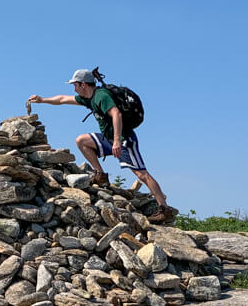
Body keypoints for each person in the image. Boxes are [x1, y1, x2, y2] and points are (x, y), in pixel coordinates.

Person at [28, 69, 176, 223]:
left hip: (125, 139)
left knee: (141, 174)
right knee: (82, 141)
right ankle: (100, 175)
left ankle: (164, 208)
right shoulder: (87, 98)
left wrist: (117, 141)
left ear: (83, 84)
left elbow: (116, 114)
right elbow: (62, 99)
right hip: (108, 139)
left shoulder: (101, 96)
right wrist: (42, 99)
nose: (74, 88)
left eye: (75, 85)